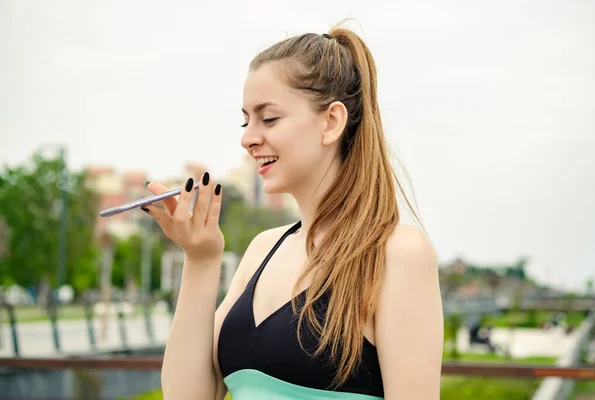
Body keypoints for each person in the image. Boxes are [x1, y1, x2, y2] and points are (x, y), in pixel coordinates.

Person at [143, 22, 443, 400]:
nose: (248, 137)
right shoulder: (262, 250)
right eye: (245, 120)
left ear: (331, 122)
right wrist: (201, 260)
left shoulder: (397, 252)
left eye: (268, 118)